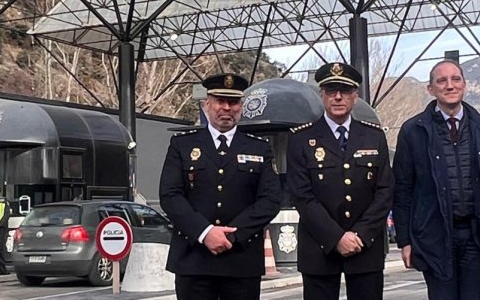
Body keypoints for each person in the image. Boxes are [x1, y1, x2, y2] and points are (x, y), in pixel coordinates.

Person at [392, 59, 480, 300]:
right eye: (441, 81)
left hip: (476, 236)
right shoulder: (413, 131)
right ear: (431, 89)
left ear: (464, 85)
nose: (449, 86)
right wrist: (404, 241)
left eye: (455, 79)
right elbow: (403, 190)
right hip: (434, 236)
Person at [160, 74, 282, 300]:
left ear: (241, 106)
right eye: (220, 101)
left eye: (233, 102)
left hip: (241, 260)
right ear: (207, 104)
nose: (226, 108)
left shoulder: (259, 148)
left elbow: (271, 199)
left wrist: (233, 236)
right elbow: (170, 195)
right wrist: (205, 233)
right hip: (193, 258)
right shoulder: (182, 144)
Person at [288, 62, 393, 300]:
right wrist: (336, 238)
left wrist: (361, 235)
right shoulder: (301, 138)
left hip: (365, 245)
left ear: (355, 96)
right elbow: (301, 195)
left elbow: (385, 190)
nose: (337, 97)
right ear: (321, 95)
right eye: (331, 90)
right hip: (319, 248)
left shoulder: (374, 136)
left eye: (344, 91)